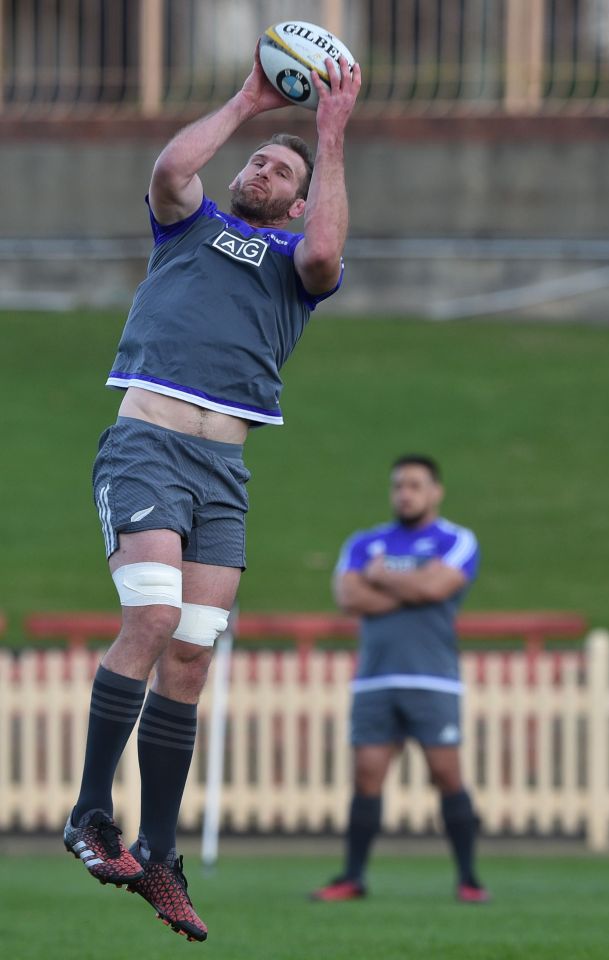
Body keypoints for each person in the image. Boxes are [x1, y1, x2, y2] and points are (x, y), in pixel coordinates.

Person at [63, 43, 361, 942]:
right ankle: (87, 814)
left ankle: (157, 854)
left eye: (282, 168)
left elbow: (327, 253)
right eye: (259, 158)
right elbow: (170, 169)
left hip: (224, 472)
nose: (263, 166)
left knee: (192, 653)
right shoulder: (187, 226)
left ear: (298, 199)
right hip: (148, 446)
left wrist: (329, 136)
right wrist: (248, 101)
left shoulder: (295, 265)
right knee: (151, 621)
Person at [311, 454, 489, 904]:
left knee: (447, 775)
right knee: (366, 776)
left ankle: (469, 879)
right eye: (398, 486)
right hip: (375, 680)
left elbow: (437, 588)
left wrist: (384, 578)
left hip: (433, 679)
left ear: (435, 492)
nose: (404, 493)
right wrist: (412, 588)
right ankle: (353, 877)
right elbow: (348, 596)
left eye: (414, 485)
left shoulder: (457, 539)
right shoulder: (365, 541)